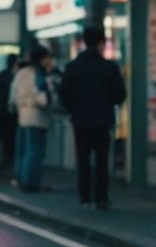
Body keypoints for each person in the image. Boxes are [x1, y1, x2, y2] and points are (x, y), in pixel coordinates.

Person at [59, 26, 126, 209]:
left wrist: (74, 108)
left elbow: (63, 94)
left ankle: (84, 196)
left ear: (83, 42)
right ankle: (101, 197)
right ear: (101, 42)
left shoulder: (72, 67)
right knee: (102, 159)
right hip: (103, 119)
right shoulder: (109, 67)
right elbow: (120, 94)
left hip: (80, 118)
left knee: (83, 158)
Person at [11, 46, 54, 192]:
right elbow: (40, 97)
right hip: (35, 116)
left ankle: (23, 179)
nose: (51, 61)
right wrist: (46, 100)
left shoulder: (22, 73)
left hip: (24, 116)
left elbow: (15, 95)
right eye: (49, 57)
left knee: (25, 150)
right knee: (34, 151)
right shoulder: (36, 74)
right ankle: (30, 182)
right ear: (42, 59)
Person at [0, 53, 20, 178]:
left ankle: (3, 167)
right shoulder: (16, 77)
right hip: (13, 115)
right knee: (13, 142)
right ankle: (11, 168)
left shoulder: (1, 75)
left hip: (1, 115)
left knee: (3, 143)